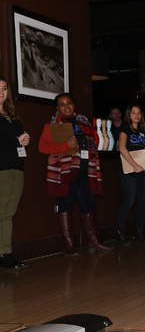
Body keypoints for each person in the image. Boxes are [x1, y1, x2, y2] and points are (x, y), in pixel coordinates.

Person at [39, 93, 113, 255]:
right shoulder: (52, 125)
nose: (66, 107)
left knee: (89, 205)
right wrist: (66, 145)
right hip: (65, 173)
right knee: (65, 205)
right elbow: (43, 147)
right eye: (62, 104)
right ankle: (69, 246)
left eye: (69, 103)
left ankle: (93, 241)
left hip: (86, 170)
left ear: (73, 105)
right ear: (57, 108)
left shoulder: (84, 122)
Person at [0, 76, 29, 269]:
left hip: (16, 168)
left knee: (8, 214)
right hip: (1, 168)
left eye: (4, 88)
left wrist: (24, 141)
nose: (1, 92)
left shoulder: (11, 116)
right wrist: (16, 141)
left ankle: (6, 253)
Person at [117, 104, 145, 243]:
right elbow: (122, 149)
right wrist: (134, 165)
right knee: (129, 201)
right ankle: (120, 232)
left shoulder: (143, 130)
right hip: (128, 170)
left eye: (139, 112)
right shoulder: (125, 129)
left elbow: (143, 150)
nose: (136, 115)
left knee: (143, 201)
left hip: (142, 170)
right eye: (133, 112)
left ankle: (139, 232)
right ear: (128, 115)